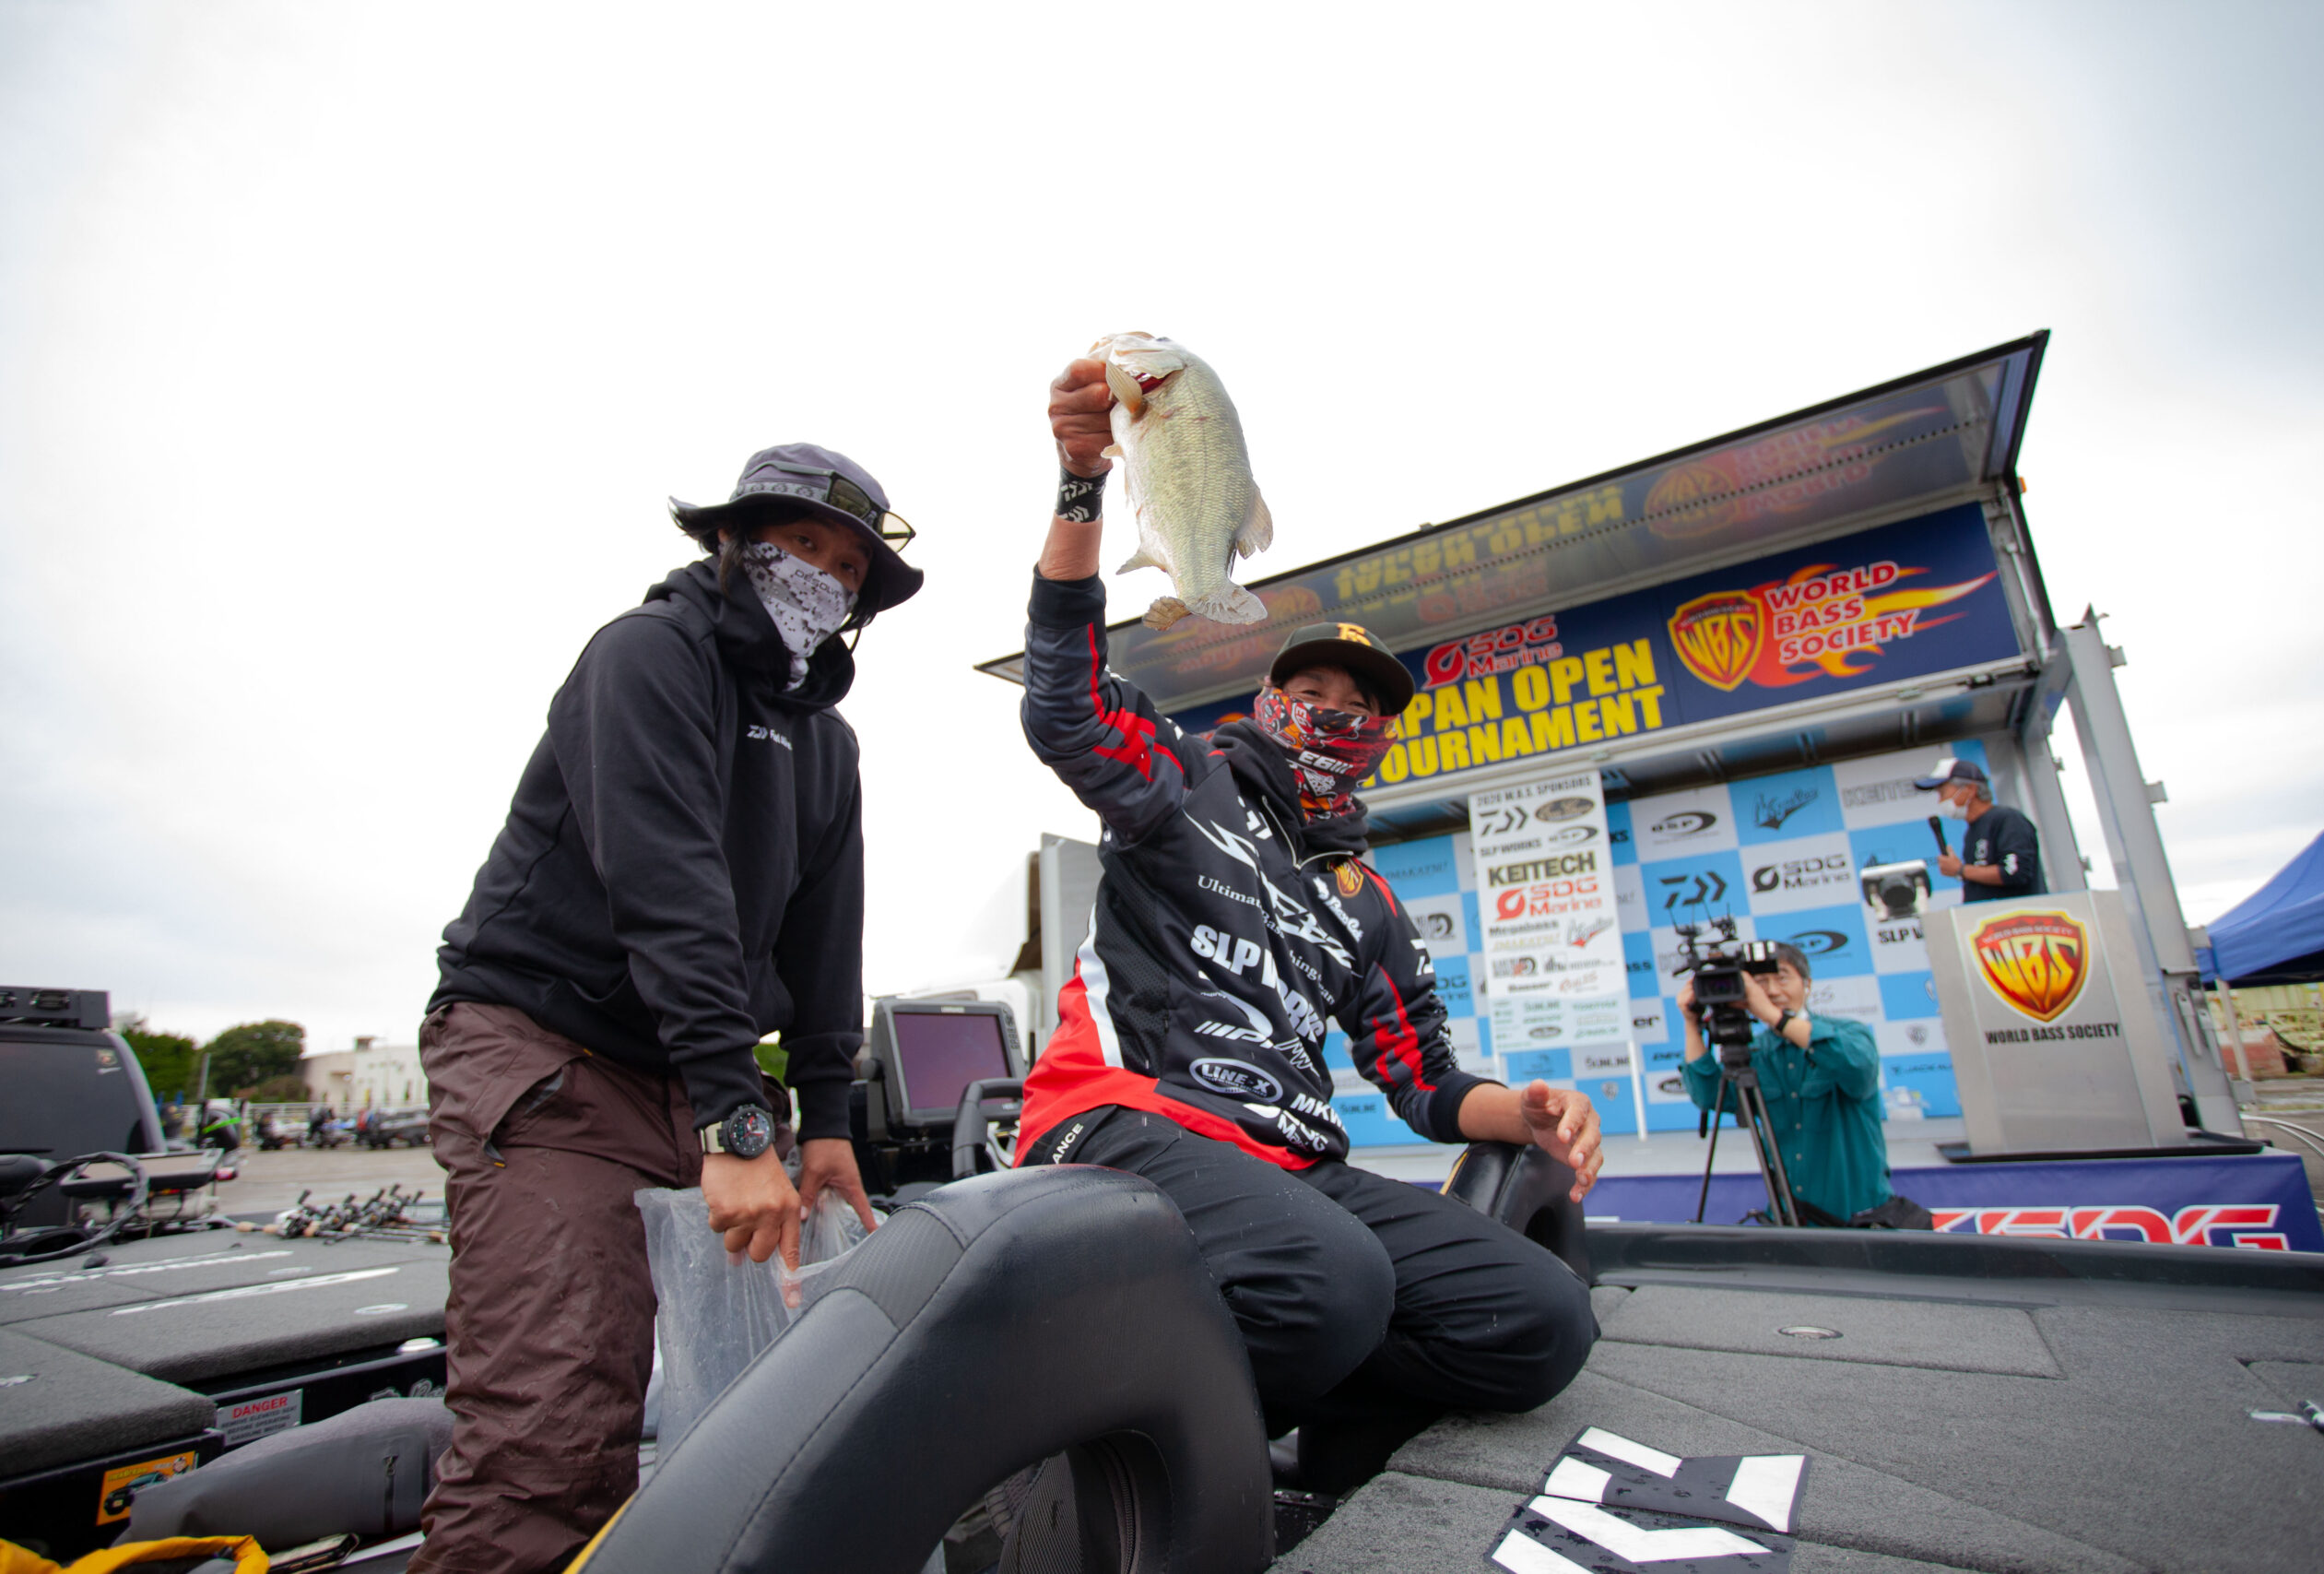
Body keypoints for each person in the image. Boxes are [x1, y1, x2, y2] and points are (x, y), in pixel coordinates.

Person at [1013, 356, 1605, 1495]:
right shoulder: (1182, 781)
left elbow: (1423, 1082)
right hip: (1121, 1126)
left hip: (1289, 1168)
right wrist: (1082, 483)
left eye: (1362, 707)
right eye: (1312, 694)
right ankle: (1060, 1469)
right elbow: (1064, 703)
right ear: (1267, 702)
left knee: (1540, 1319)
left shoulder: (1366, 898)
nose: (1335, 715)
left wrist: (1528, 1111)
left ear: (1383, 739)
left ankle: (1301, 1414)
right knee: (1328, 1280)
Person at [414, 444, 920, 1574]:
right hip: (553, 1052)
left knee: (774, 1397)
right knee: (551, 1425)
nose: (825, 578)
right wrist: (737, 1127)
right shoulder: (646, 655)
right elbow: (668, 887)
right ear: (731, 541)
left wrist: (825, 1119)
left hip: (694, 1071)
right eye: (801, 546)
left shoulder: (826, 743)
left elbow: (824, 937)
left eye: (848, 568)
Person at [1676, 942, 1922, 1226]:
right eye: (1760, 982)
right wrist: (1691, 1024)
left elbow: (1856, 1067)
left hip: (1858, 1220)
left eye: (1782, 978)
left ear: (1807, 984)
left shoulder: (1847, 1033)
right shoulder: (1754, 1053)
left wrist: (1773, 1016)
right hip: (1788, 1220)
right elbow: (1708, 1095)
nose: (1772, 991)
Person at [1917, 756, 2043, 903]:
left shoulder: (2007, 819)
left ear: (1970, 789)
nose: (1940, 801)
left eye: (1942, 793)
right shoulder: (1972, 832)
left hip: (2018, 916)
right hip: (1987, 916)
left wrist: (1960, 869)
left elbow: (2015, 872)